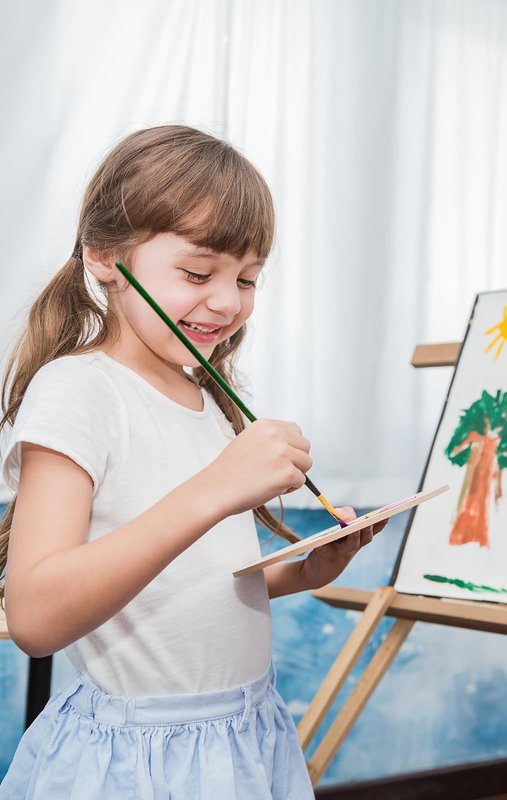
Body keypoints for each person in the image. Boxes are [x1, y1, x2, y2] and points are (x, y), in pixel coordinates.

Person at [0, 124, 384, 798]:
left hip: (243, 734)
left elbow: (186, 588)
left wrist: (303, 571)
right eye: (198, 273)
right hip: (139, 763)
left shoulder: (206, 399)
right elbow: (33, 618)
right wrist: (214, 488)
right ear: (104, 257)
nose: (229, 301)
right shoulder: (78, 390)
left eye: (248, 278)